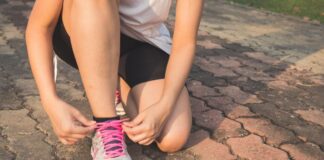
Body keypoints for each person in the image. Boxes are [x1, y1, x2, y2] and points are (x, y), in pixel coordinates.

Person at [25, 0, 203, 159]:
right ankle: (106, 129)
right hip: (83, 25)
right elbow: (39, 27)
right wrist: (50, 100)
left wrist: (164, 106)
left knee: (171, 137)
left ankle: (113, 84)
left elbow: (185, 42)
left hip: (142, 41)